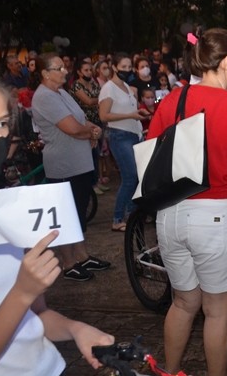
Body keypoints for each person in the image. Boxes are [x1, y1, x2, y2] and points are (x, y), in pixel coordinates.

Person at [0, 67, 115, 376]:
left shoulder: (9, 211)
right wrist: (23, 290)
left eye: (1, 123)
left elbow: (35, 316)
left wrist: (74, 328)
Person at [148, 28, 227, 376]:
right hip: (214, 217)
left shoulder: (174, 100)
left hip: (170, 215)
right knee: (217, 311)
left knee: (183, 304)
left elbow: (150, 154)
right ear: (225, 61)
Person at [30, 53, 111, 282]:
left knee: (78, 211)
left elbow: (81, 120)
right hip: (64, 165)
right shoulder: (44, 97)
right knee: (66, 214)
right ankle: (68, 262)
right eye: (59, 68)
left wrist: (92, 129)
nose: (65, 70)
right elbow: (72, 128)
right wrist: (91, 132)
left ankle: (82, 256)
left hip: (79, 161)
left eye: (64, 66)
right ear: (46, 73)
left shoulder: (62, 92)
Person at [98, 53, 148, 232]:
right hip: (120, 136)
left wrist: (140, 115)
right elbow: (103, 116)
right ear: (114, 67)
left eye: (129, 67)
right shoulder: (108, 89)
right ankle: (118, 217)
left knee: (135, 177)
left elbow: (129, 110)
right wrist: (130, 115)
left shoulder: (127, 86)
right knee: (130, 177)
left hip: (134, 134)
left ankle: (130, 215)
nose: (126, 70)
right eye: (123, 67)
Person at [68, 60, 106, 196]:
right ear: (79, 72)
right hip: (86, 123)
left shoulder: (94, 84)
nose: (89, 73)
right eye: (86, 70)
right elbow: (88, 101)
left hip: (98, 121)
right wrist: (101, 99)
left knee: (98, 152)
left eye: (90, 70)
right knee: (92, 154)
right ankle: (92, 184)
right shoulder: (76, 86)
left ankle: (96, 181)